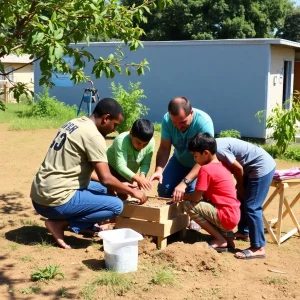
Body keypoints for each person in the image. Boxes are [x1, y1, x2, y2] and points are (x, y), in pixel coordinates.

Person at [30, 98, 147, 249]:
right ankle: (59, 223)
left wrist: (120, 186)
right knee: (116, 206)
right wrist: (132, 191)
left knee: (107, 191)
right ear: (106, 118)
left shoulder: (74, 123)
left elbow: (88, 174)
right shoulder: (94, 136)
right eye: (115, 124)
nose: (114, 129)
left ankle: (84, 224)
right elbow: (106, 178)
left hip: (39, 195)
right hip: (54, 201)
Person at [216, 137, 276, 259]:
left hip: (261, 166)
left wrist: (240, 185)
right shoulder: (212, 145)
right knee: (241, 198)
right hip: (250, 167)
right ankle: (244, 232)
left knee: (252, 206)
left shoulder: (218, 149)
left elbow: (238, 168)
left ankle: (258, 248)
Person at [180, 133, 240, 251]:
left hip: (225, 216)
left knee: (189, 205)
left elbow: (196, 198)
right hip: (234, 215)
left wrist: (184, 196)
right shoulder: (222, 165)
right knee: (209, 203)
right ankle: (227, 239)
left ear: (206, 153)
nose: (194, 159)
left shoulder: (205, 169)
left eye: (195, 156)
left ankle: (219, 238)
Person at [150, 96, 214, 204]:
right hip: (179, 161)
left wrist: (184, 183)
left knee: (192, 192)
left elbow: (206, 158)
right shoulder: (167, 120)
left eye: (183, 122)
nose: (178, 127)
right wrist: (159, 170)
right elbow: (164, 148)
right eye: (174, 123)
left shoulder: (204, 123)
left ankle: (191, 220)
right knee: (164, 189)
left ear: (191, 113)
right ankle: (172, 219)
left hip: (199, 164)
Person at [91, 119, 155, 190]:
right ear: (131, 133)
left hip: (126, 174)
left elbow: (145, 163)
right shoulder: (121, 140)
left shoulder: (151, 142)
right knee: (104, 190)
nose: (141, 147)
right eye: (138, 143)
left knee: (124, 194)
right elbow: (121, 166)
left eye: (145, 144)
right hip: (108, 169)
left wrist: (142, 177)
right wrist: (138, 179)